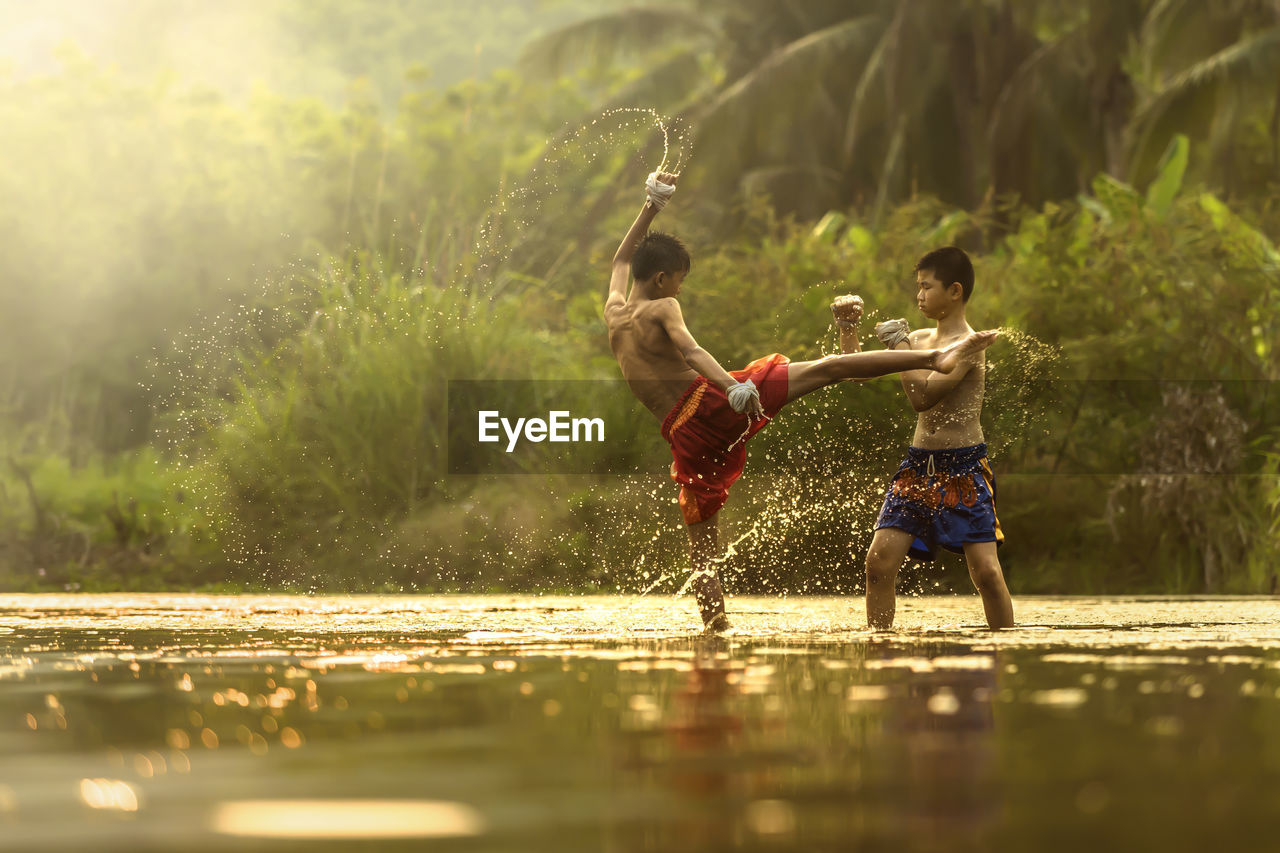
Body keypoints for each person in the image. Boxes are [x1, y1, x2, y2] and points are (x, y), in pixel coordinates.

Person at [604, 173, 998, 631]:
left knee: (703, 552)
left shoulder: (614, 311)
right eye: (679, 282)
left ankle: (716, 634)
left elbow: (619, 257)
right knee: (829, 368)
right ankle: (932, 354)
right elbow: (692, 351)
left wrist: (650, 206)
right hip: (710, 402)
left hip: (681, 434)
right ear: (660, 278)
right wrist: (731, 386)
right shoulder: (663, 307)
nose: (680, 290)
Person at [853, 246, 1014, 630]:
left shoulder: (969, 346)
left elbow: (921, 397)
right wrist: (848, 329)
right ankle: (881, 646)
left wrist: (900, 347)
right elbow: (857, 372)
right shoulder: (920, 339)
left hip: (964, 468)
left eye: (927, 287)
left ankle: (1005, 646)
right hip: (917, 467)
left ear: (955, 291)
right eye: (918, 287)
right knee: (878, 565)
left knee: (987, 574)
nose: (919, 296)